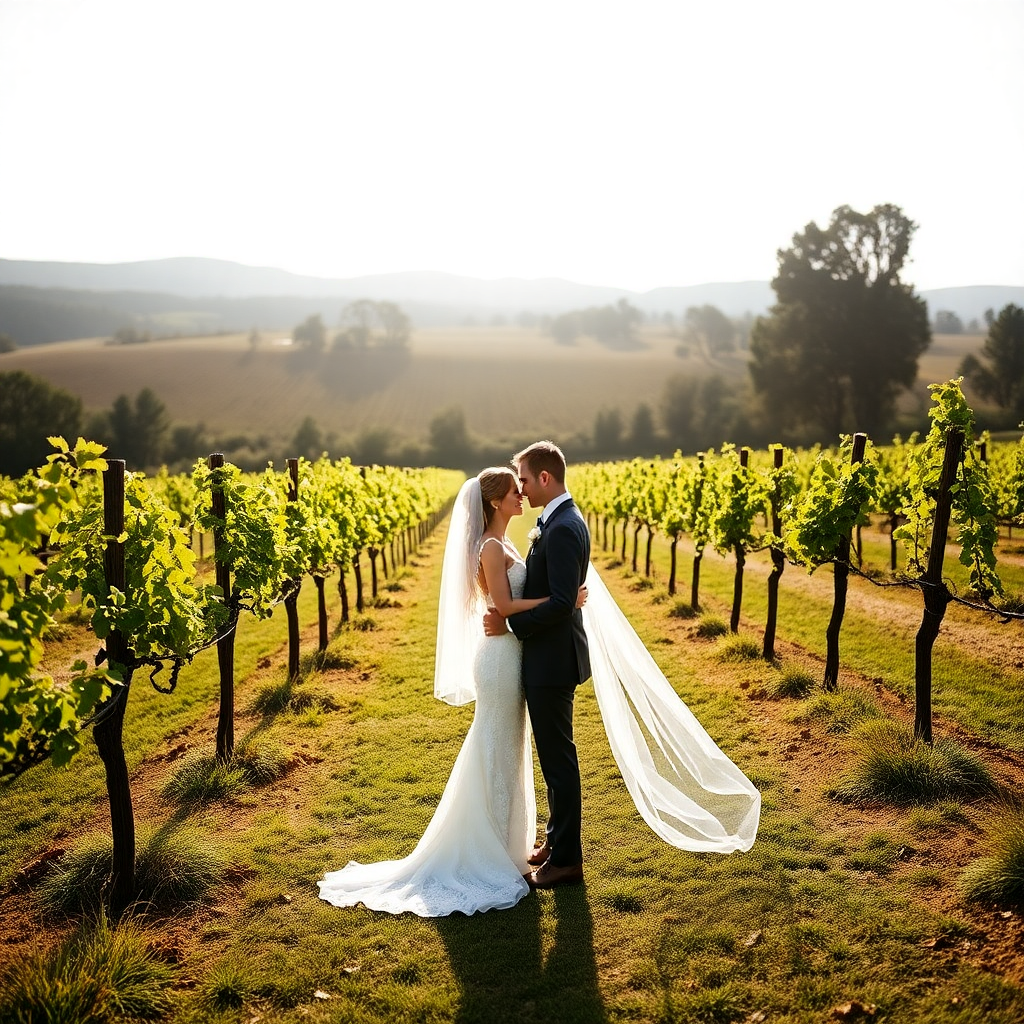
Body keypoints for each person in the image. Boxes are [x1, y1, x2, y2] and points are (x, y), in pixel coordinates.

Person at [316, 466, 586, 917]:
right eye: (514, 493)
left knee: (509, 745)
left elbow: (507, 605)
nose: (521, 496)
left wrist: (551, 603)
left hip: (514, 652)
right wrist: (562, 601)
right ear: (496, 502)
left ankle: (511, 842)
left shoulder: (506, 542)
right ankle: (488, 846)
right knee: (495, 742)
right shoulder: (491, 546)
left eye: (523, 489)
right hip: (500, 660)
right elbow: (501, 606)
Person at [483, 441, 590, 888]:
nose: (522, 489)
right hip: (547, 656)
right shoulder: (558, 520)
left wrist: (514, 624)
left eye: (524, 479)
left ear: (544, 477)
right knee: (552, 758)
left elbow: (564, 602)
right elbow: (565, 597)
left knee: (559, 761)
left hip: (552, 660)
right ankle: (554, 839)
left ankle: (567, 860)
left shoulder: (563, 527)